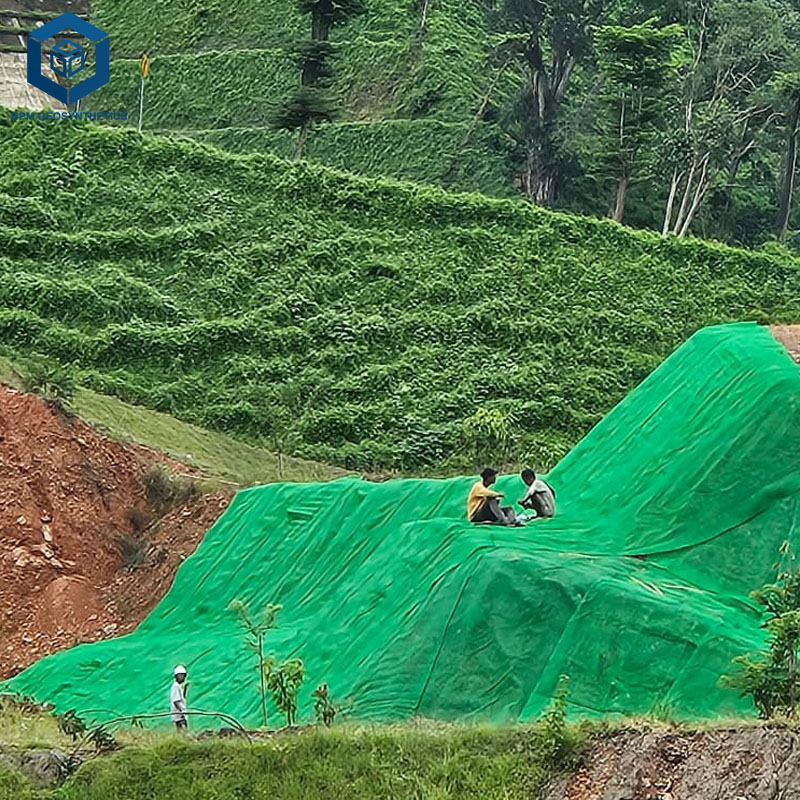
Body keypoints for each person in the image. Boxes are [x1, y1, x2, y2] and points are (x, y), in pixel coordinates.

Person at [170, 665, 189, 731]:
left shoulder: (177, 686)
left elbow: (181, 698)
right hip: (179, 716)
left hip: (179, 715)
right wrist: (183, 711)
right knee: (182, 731)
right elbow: (176, 701)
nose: (183, 678)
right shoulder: (175, 686)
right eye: (182, 676)